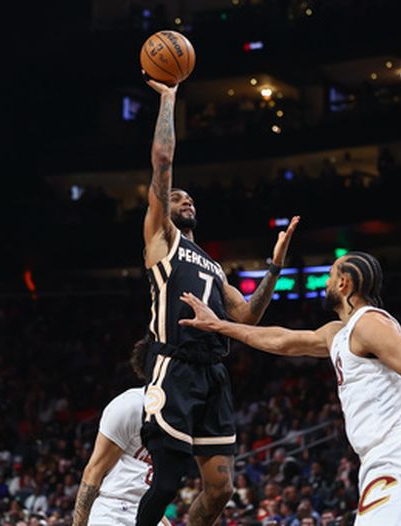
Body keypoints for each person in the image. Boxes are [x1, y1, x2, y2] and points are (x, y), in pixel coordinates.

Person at [179, 251, 401, 524]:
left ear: (343, 283)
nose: (326, 281)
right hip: (376, 462)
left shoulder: (371, 323)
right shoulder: (340, 333)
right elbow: (281, 340)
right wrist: (219, 326)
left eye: (330, 275)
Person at [137, 77, 300, 526]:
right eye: (176, 196)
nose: (184, 198)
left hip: (213, 374)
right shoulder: (161, 239)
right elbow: (163, 161)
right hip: (175, 365)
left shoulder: (211, 264)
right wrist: (169, 98)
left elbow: (248, 316)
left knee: (222, 489)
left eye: (189, 197)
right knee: (168, 482)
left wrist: (274, 268)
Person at [73, 338, 170, 526]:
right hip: (114, 511)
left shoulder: (181, 415)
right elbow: (94, 471)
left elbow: (145, 484)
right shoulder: (131, 405)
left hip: (147, 512)